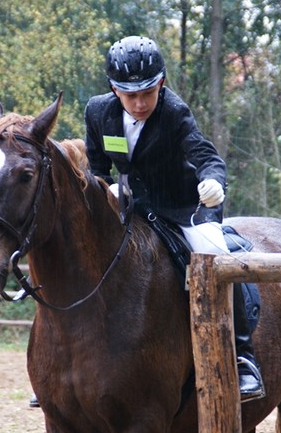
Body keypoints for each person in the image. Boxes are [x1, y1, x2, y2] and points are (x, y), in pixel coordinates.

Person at [83, 35, 265, 403]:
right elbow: (96, 168)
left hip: (185, 208)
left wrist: (212, 182)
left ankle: (243, 357)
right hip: (131, 207)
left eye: (147, 92)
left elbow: (207, 157)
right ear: (113, 89)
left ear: (161, 83)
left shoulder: (174, 112)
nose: (139, 103)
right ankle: (75, 363)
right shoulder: (97, 112)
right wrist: (107, 189)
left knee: (215, 257)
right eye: (129, 94)